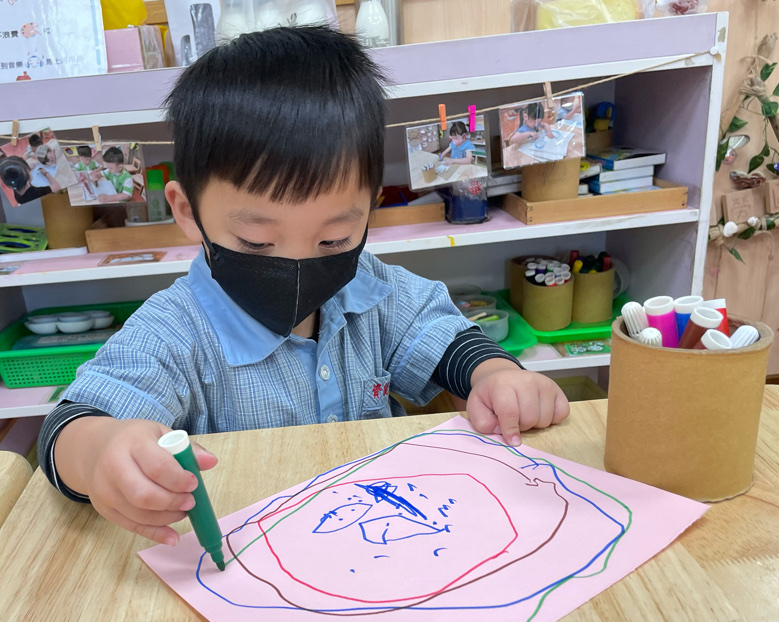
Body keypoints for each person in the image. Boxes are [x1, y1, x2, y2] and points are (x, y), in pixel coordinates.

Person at [38, 26, 569, 545]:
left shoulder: (368, 287)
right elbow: (70, 425)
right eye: (256, 242)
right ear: (187, 211)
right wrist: (100, 451)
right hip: (249, 553)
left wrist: (494, 373)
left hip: (383, 533)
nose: (297, 265)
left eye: (334, 239)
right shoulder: (175, 332)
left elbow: (439, 332)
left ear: (369, 208)